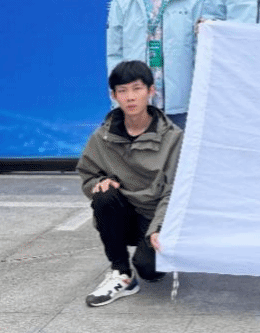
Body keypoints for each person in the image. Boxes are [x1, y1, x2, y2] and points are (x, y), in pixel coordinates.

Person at [77, 60, 184, 307]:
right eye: (122, 91)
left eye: (137, 89)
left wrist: (160, 227)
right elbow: (88, 174)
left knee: (150, 271)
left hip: (156, 217)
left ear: (151, 90)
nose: (130, 97)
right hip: (123, 215)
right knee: (103, 195)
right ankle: (121, 274)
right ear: (114, 96)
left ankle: (161, 254)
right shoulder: (103, 137)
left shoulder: (173, 138)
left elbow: (175, 191)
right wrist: (98, 183)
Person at [106, 0, 203, 129]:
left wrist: (199, 97)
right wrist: (119, 98)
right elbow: (115, 53)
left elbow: (199, 52)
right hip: (136, 103)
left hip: (180, 103)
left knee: (178, 150)